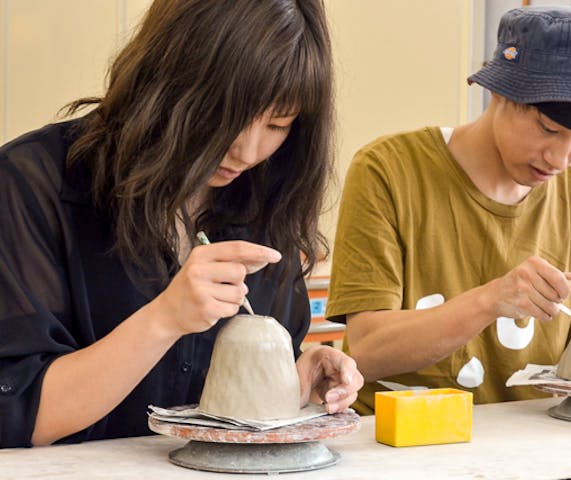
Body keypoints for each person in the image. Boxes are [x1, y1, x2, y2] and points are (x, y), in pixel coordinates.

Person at [0, 0, 363, 448]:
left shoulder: (268, 196)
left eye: (277, 124)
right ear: (171, 81)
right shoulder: (33, 186)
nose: (249, 152)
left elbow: (230, 407)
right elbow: (16, 412)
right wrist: (164, 319)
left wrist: (297, 378)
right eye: (231, 119)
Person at [325, 5, 571, 415]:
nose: (561, 158)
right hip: (403, 444)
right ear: (498, 91)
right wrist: (491, 300)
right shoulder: (387, 169)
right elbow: (368, 353)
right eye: (548, 129)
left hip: (535, 446)